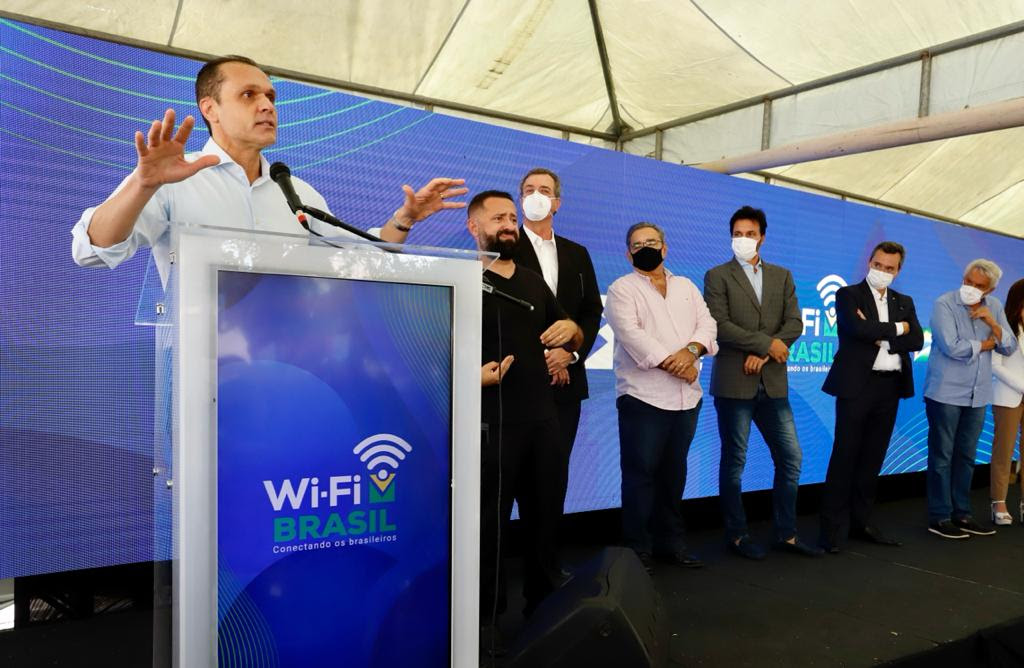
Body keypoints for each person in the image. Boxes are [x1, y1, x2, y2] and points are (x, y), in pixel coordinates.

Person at [71, 55, 465, 270]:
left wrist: (404, 219)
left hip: (283, 365)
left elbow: (361, 259)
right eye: (249, 95)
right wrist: (143, 185)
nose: (267, 106)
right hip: (197, 369)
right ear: (210, 108)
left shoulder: (296, 193)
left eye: (270, 97)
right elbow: (91, 250)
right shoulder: (171, 178)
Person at [471, 191, 582, 649]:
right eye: (498, 218)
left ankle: (542, 608)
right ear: (473, 226)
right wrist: (473, 376)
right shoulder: (461, 278)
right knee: (488, 527)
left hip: (543, 421)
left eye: (512, 218)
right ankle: (484, 619)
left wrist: (571, 336)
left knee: (545, 520)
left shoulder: (534, 282)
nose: (508, 225)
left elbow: (572, 332)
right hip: (490, 426)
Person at [703, 205, 821, 559]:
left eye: (750, 234)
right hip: (733, 382)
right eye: (737, 234)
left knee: (791, 457)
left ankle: (786, 533)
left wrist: (767, 353)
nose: (743, 239)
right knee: (734, 462)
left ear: (762, 238)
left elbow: (794, 323)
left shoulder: (782, 276)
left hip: (773, 382)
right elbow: (719, 325)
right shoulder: (717, 275)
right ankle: (737, 536)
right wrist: (765, 344)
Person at [605, 222, 718, 575]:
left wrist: (691, 352)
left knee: (674, 475)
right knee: (640, 477)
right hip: (643, 398)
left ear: (665, 248)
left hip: (686, 400)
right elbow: (632, 336)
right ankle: (637, 550)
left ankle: (671, 544)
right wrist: (678, 364)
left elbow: (708, 325)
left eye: (651, 242)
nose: (645, 249)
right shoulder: (621, 289)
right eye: (637, 245)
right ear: (629, 254)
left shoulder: (686, 286)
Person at [510, 168, 603, 534]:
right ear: (521, 200)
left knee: (553, 479)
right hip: (518, 384)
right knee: (514, 477)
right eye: (529, 189)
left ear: (557, 203)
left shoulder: (576, 253)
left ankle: (546, 557)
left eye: (544, 190)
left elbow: (591, 311)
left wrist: (571, 354)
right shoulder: (504, 248)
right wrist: (546, 359)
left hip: (566, 387)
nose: (536, 195)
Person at [818, 242, 924, 553]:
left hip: (889, 388)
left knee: (873, 458)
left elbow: (917, 339)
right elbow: (856, 329)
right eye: (878, 265)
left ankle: (861, 523)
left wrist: (883, 335)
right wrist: (898, 328)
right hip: (856, 387)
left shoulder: (904, 301)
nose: (882, 271)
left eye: (889, 268)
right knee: (844, 457)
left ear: (898, 271)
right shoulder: (848, 295)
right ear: (869, 262)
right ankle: (830, 529)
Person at [924, 259, 1018, 539]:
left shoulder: (995, 306)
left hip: (978, 394)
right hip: (945, 392)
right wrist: (988, 344)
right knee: (942, 456)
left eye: (979, 285)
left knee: (966, 456)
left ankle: (962, 513)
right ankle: (940, 516)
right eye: (968, 282)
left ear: (990, 289)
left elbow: (1009, 346)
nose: (971, 288)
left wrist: (992, 322)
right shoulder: (944, 304)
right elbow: (952, 347)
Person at [989, 278, 1024, 525]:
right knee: (1004, 451)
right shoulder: (1002, 327)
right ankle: (998, 502)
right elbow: (995, 365)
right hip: (1008, 396)